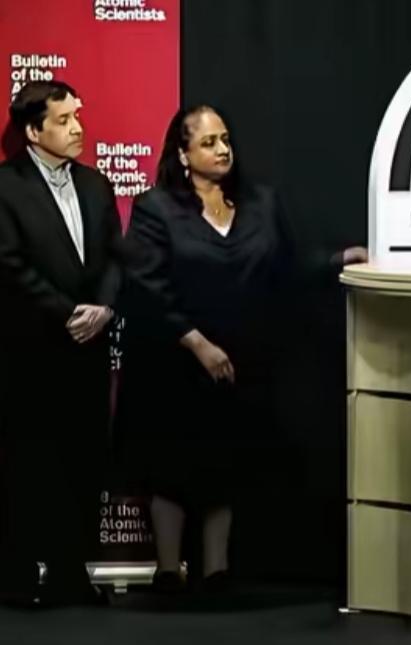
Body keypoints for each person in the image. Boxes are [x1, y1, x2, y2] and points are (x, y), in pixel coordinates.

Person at [115, 104, 366, 595]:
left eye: (225, 139)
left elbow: (287, 267)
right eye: (208, 142)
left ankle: (216, 572)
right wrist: (197, 343)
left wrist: (338, 259)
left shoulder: (260, 203)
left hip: (241, 361)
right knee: (170, 466)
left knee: (226, 463)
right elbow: (145, 284)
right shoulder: (156, 208)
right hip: (175, 362)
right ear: (183, 154)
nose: (222, 149)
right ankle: (168, 572)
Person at [0, 81, 122, 606]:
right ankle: (19, 577)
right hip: (29, 354)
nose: (78, 128)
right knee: (27, 466)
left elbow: (116, 257)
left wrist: (104, 309)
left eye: (78, 116)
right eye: (65, 119)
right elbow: (8, 265)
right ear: (34, 130)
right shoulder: (5, 187)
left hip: (87, 355)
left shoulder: (96, 185)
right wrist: (67, 312)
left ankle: (73, 573)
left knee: (83, 464)